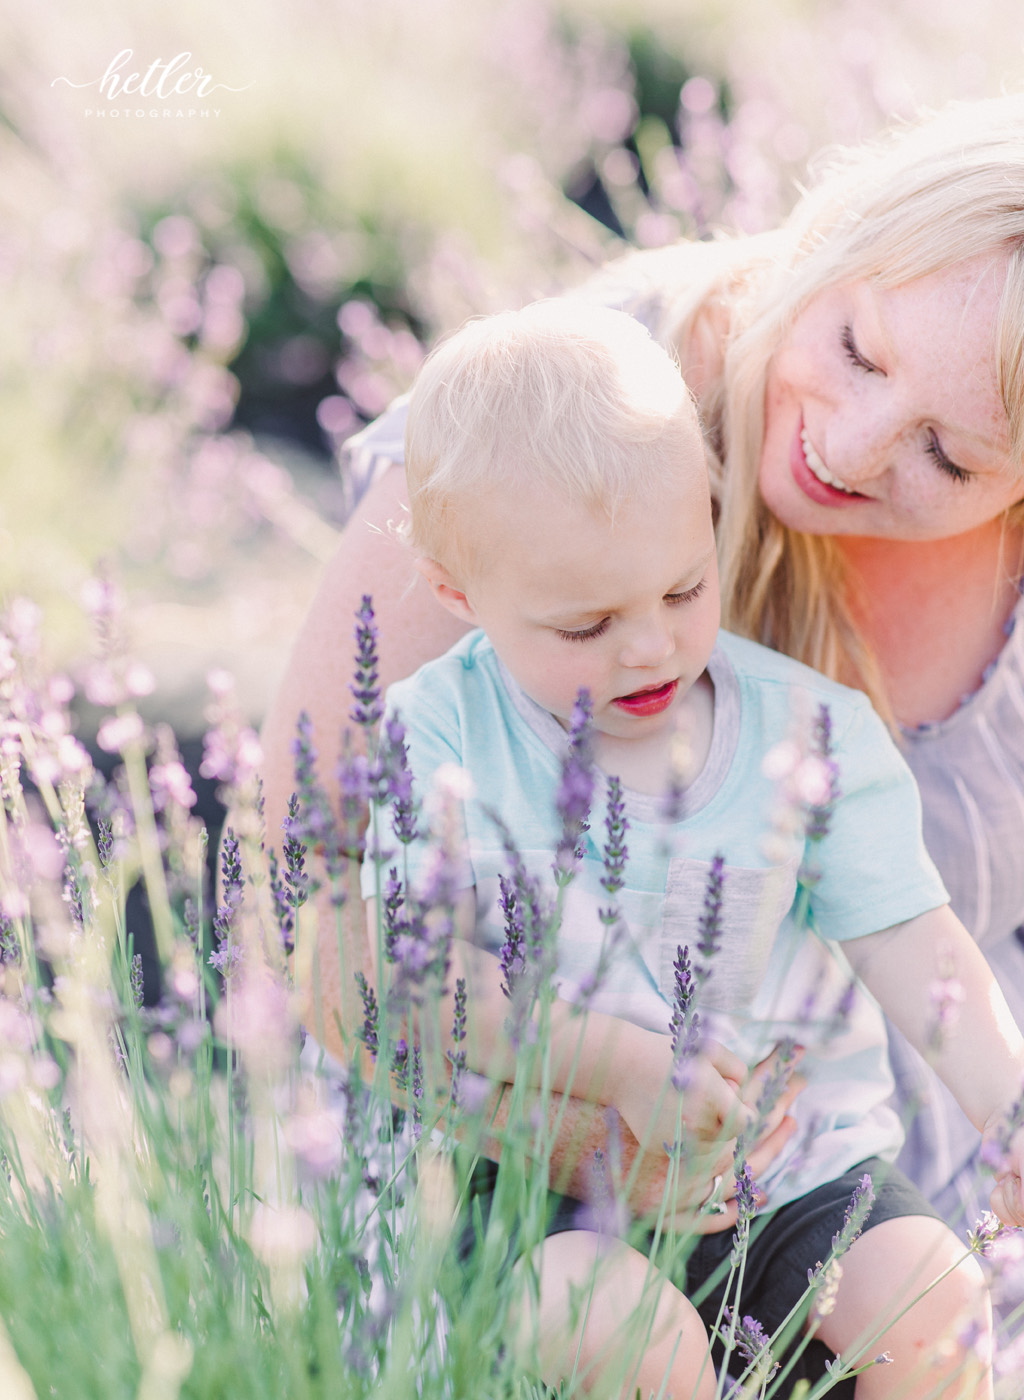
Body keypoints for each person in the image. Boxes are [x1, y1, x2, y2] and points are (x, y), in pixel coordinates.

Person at [257, 94, 1024, 1260]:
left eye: (947, 455)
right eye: (857, 348)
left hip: (886, 1218)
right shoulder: (558, 421)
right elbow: (310, 889)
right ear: (828, 236)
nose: (852, 445)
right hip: (519, 1201)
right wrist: (596, 1140)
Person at [358, 298, 1024, 1400]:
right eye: (586, 624)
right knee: (623, 1335)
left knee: (935, 1300)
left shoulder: (803, 734)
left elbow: (914, 938)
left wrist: (1009, 1111)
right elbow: (426, 984)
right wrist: (619, 1066)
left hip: (801, 1176)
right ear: (456, 593)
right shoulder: (439, 737)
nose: (652, 643)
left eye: (681, 587)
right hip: (543, 1196)